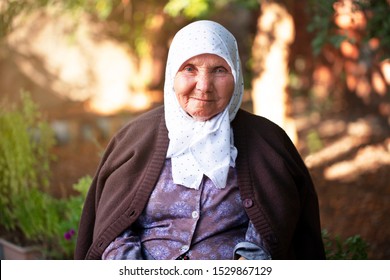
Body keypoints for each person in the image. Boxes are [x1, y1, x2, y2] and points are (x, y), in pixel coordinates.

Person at [74, 20, 325, 260]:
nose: (204, 86)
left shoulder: (267, 141)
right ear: (172, 72)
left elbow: (272, 228)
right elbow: (115, 232)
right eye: (189, 69)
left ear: (236, 75)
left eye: (219, 70)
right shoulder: (135, 138)